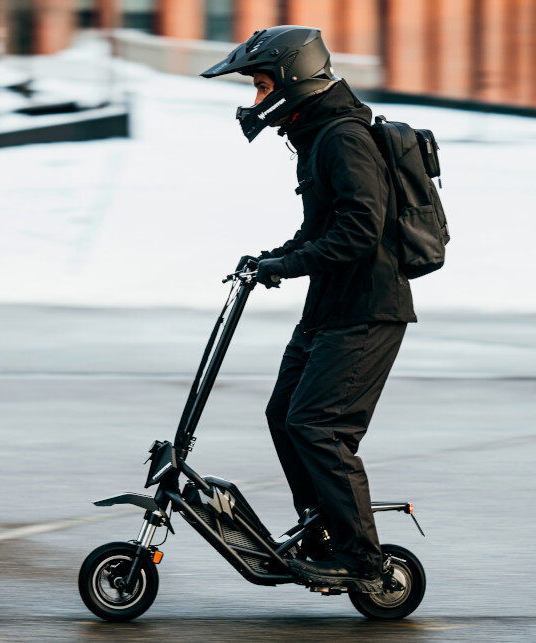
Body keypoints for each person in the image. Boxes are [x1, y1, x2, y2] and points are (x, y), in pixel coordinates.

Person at [201, 26, 416, 591]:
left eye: (262, 84)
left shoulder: (342, 137)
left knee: (319, 426)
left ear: (294, 79)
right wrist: (272, 258)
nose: (256, 99)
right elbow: (322, 227)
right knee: (284, 414)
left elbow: (362, 229)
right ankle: (321, 529)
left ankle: (362, 560)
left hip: (367, 310)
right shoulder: (317, 135)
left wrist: (289, 266)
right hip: (331, 309)